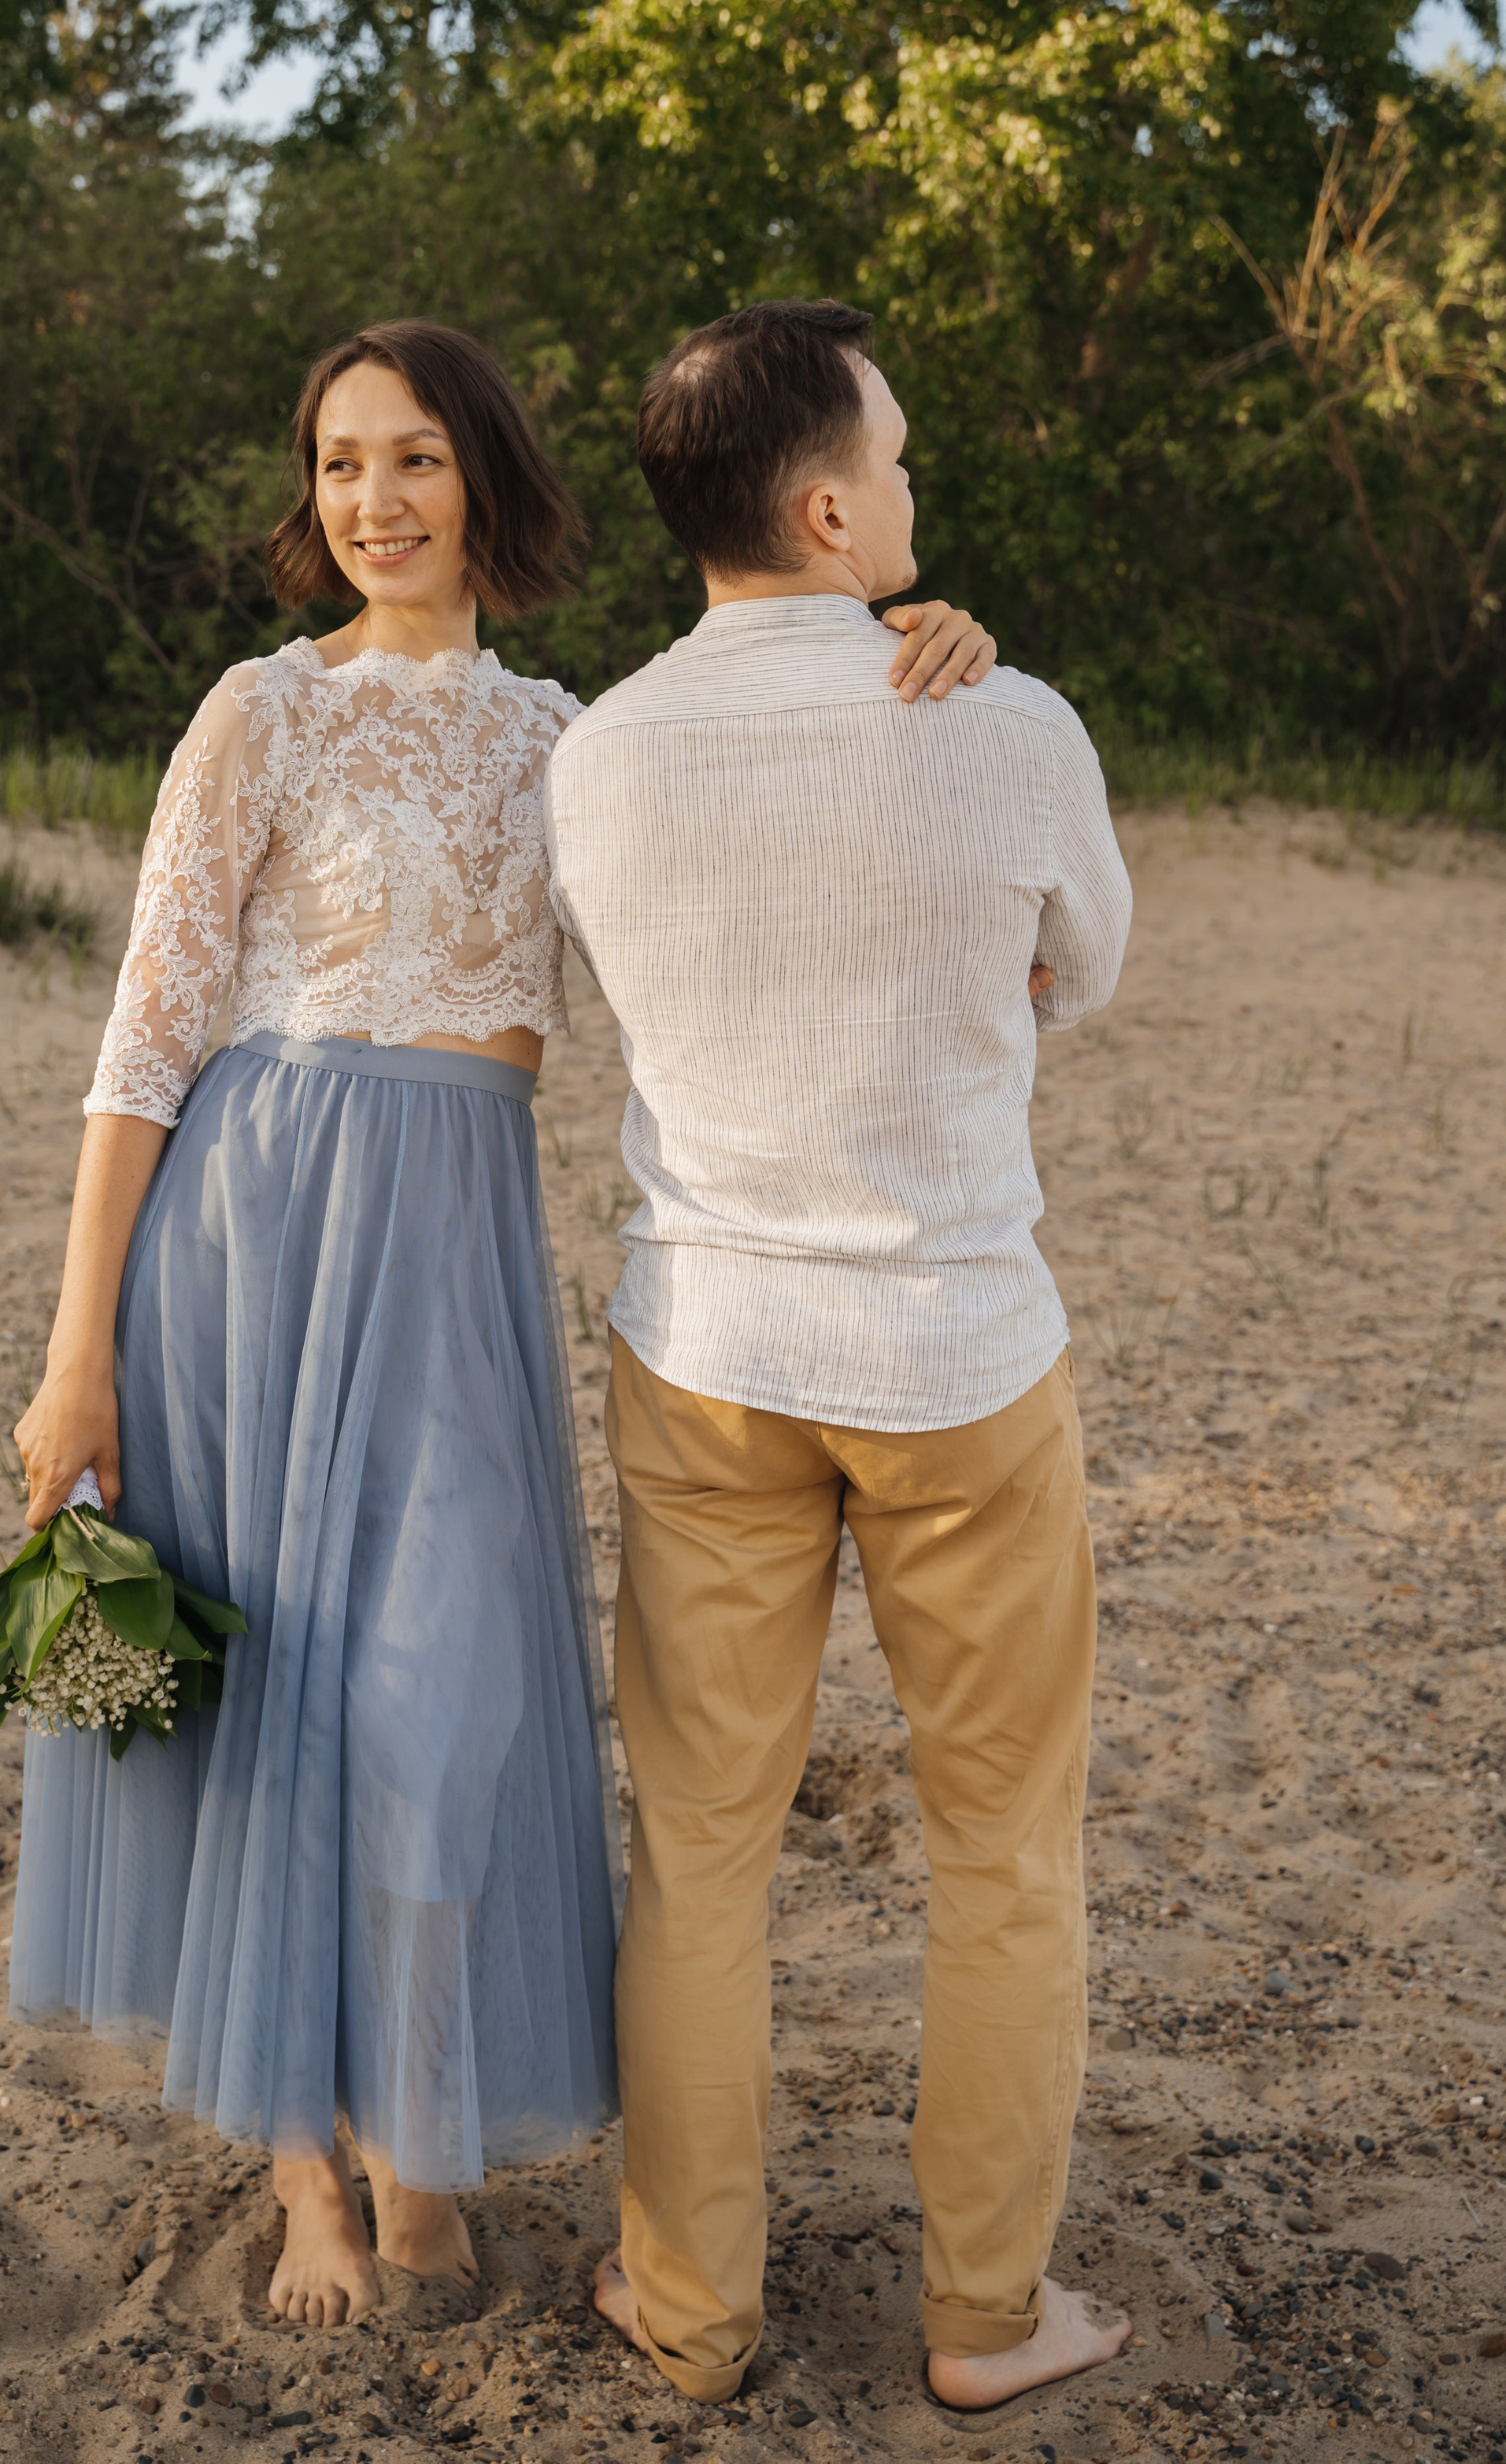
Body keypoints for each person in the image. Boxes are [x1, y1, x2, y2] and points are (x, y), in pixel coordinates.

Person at [3, 314, 1001, 2333]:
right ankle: (320, 2180)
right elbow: (145, 1037)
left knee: (435, 1705)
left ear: (487, 480)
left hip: (455, 1236)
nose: (372, 502)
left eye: (414, 460)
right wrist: (73, 1349)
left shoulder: (577, 737)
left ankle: (425, 2136)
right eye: (341, 464)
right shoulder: (257, 717)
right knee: (274, 1696)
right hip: (248, 1238)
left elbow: (733, 905)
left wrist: (921, 657)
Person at [543, 299, 1134, 2420]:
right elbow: (1083, 971)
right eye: (891, 464)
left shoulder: (595, 752)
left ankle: (688, 2304)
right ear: (820, 503)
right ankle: (988, 2317)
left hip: (703, 1346)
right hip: (959, 1353)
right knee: (1005, 1854)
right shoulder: (1011, 723)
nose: (911, 494)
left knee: (699, 1851)